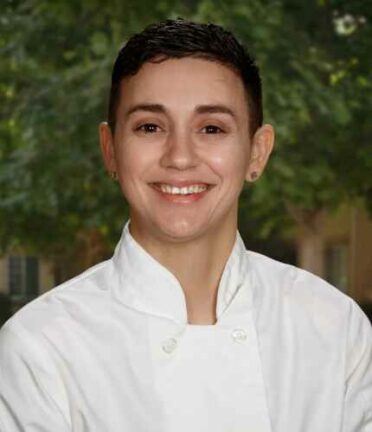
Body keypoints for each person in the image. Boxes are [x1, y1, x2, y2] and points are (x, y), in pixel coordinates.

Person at [0, 18, 371, 432]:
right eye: (150, 127)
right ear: (110, 150)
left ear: (257, 152)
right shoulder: (40, 348)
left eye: (211, 128)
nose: (180, 157)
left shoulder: (335, 327)